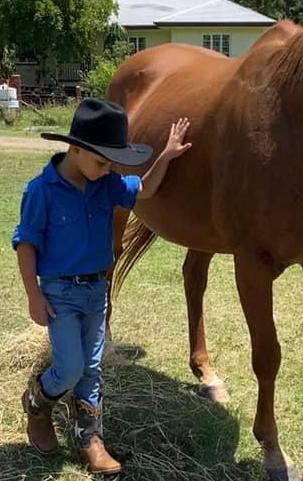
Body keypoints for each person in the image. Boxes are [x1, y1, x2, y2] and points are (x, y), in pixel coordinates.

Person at [12, 98, 191, 475]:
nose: (107, 169)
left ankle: (90, 439)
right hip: (59, 294)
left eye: (112, 163)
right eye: (101, 161)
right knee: (70, 367)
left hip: (97, 292)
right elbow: (26, 243)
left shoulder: (105, 184)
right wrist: (33, 294)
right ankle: (36, 403)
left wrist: (168, 155)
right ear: (75, 148)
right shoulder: (41, 191)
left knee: (91, 367)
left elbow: (143, 188)